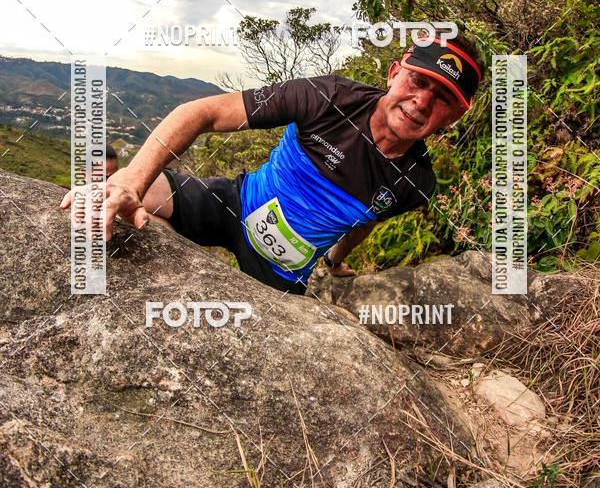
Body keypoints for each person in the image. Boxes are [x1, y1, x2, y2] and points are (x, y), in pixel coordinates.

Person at [60, 34, 484, 296]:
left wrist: (336, 261)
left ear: (454, 116)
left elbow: (367, 220)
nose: (421, 102)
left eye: (443, 98)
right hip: (234, 204)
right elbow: (204, 112)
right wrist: (131, 180)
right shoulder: (328, 97)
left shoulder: (416, 183)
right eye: (418, 81)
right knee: (131, 190)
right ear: (394, 74)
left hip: (281, 272)